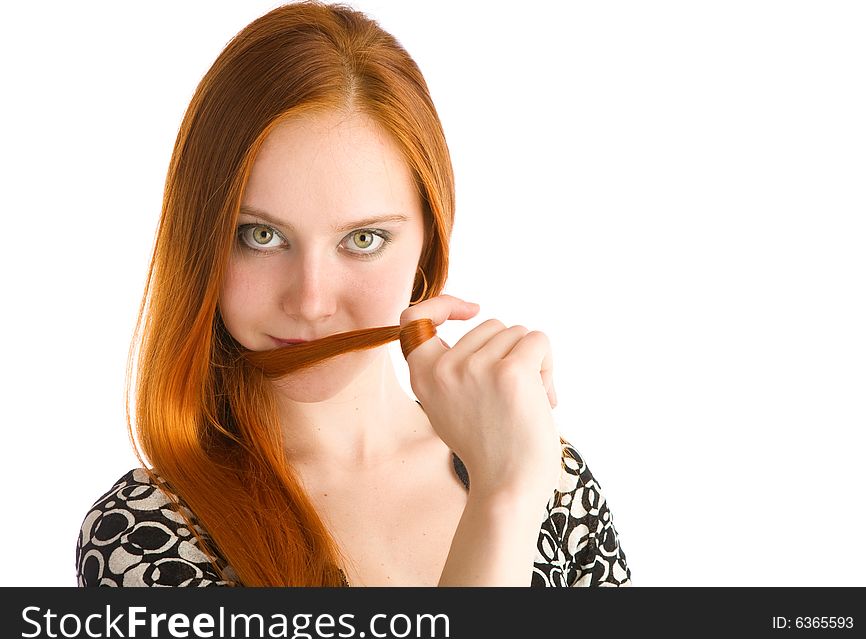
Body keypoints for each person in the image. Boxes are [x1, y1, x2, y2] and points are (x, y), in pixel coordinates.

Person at [75, 0, 631, 587]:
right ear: (200, 238)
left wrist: (514, 482)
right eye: (260, 236)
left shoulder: (552, 479)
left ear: (428, 246)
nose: (311, 301)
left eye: (363, 239)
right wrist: (501, 500)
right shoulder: (145, 532)